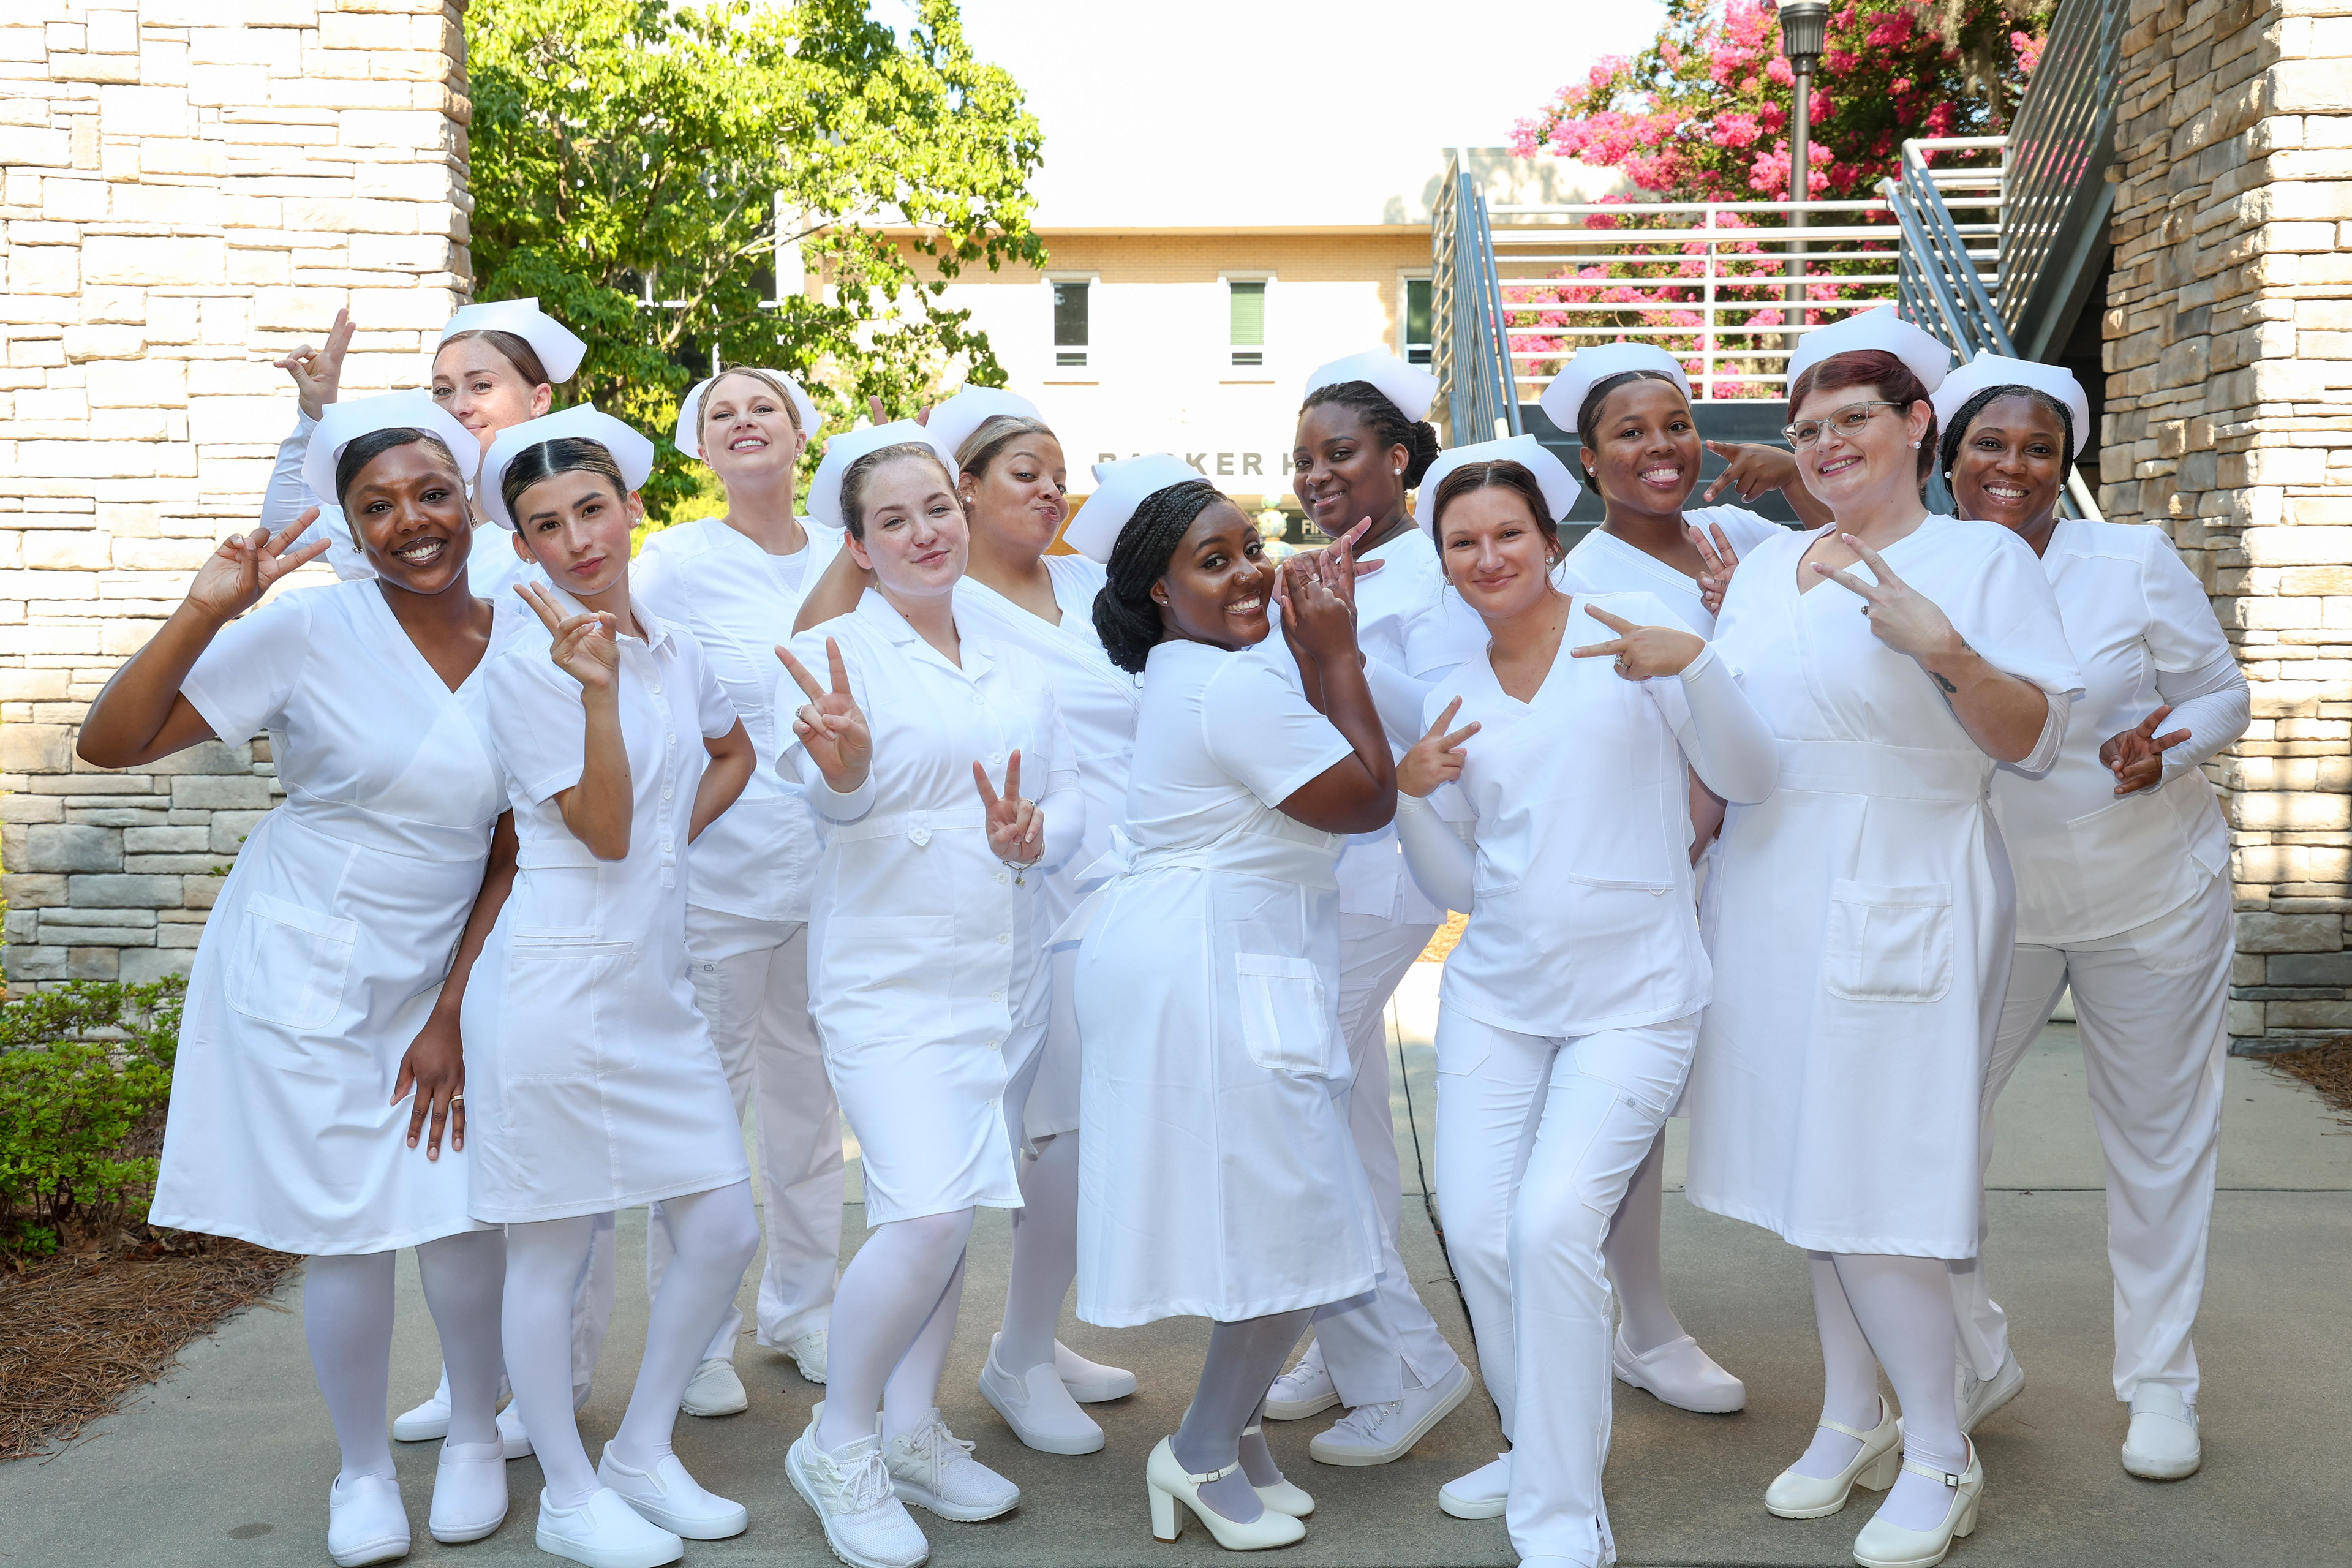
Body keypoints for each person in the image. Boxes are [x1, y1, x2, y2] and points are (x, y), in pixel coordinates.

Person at [1681, 306, 2084, 1568]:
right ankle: (1852, 1414)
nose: (1825, 444)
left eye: (1853, 417)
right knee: (1817, 1162)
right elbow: (1736, 738)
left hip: (1909, 873)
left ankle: (1940, 1446)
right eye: (1806, 428)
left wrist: (1945, 650)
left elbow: (2035, 740)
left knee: (1878, 1175)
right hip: (1770, 882)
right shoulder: (1765, 569)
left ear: (1918, 425)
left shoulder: (1979, 559)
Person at [83, 393, 512, 1568]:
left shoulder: (525, 633)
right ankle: (362, 1469)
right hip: (308, 951)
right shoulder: (309, 630)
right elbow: (110, 743)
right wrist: (206, 609)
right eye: (378, 506)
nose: (411, 521)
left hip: (451, 952)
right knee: (347, 1226)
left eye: (432, 493)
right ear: (352, 526)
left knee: (464, 1208)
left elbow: (518, 839)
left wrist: (454, 1006)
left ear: (470, 502)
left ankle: (477, 1433)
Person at [1392, 435, 1778, 1567]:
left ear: (1549, 540)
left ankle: (1561, 1513)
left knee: (1553, 1221)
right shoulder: (1450, 691)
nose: (1488, 557)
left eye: (1508, 533)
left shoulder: (1632, 633)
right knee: (1479, 1231)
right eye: (1462, 542)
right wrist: (1411, 796)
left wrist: (1694, 667)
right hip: (1499, 998)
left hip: (1637, 995)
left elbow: (1751, 778)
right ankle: (1539, 1443)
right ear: (1443, 560)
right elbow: (1460, 884)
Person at [1066, 454, 1395, 1551]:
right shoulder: (1227, 686)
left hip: (1202, 952)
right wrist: (1334, 652)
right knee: (1289, 1217)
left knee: (1268, 1215)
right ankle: (1202, 1449)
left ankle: (1241, 1439)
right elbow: (1368, 798)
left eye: (1252, 547)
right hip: (1209, 966)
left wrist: (1308, 656)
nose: (1251, 572)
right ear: (1161, 592)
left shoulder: (1196, 674)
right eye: (1215, 561)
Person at [1931, 353, 2248, 1481]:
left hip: (2150, 894)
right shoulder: (1914, 570)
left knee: (2158, 1142)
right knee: (1934, 1131)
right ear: (1948, 456)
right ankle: (1970, 1354)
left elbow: (2220, 693)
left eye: (2041, 450)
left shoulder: (2130, 560)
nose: (2012, 467)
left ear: (2065, 465)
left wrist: (2166, 754)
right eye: (1990, 444)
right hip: (1991, 907)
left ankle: (2161, 1383)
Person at [777, 422, 1078, 1568]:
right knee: (928, 1214)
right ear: (858, 546)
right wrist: (848, 768)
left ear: (962, 510)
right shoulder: (827, 654)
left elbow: (1069, 793)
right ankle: (839, 1439)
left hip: (1001, 966)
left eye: (935, 510)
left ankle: (911, 1428)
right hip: (889, 977)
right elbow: (831, 797)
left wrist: (1040, 831)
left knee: (957, 1203)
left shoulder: (1012, 645)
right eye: (890, 522)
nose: (921, 534)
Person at [466, 405, 763, 1568]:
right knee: (551, 1251)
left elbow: (733, 750)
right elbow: (599, 831)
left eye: (592, 509)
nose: (578, 540)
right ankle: (569, 1492)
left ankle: (641, 1452)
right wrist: (593, 692)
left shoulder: (678, 647)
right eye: (547, 526)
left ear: (633, 509)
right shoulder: (524, 661)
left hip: (652, 983)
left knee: (723, 1227)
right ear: (523, 546)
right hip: (552, 983)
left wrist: (674, 844)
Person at [911, 387, 1142, 1457]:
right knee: (1036, 1132)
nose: (1052, 491)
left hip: (1128, 876)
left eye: (1060, 475)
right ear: (962, 488)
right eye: (1025, 474)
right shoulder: (941, 602)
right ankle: (1013, 1361)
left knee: (1088, 1131)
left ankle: (1029, 1338)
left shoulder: (1092, 586)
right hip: (1015, 888)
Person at [1264, 351, 1477, 1469]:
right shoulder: (1324, 567)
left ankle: (1408, 1361)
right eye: (1303, 460)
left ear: (1399, 458)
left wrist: (1334, 641)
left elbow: (1445, 717)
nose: (1317, 476)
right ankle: (1346, 1340)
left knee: (1297, 1099)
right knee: (1341, 1109)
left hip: (1387, 866)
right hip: (1318, 863)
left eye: (1340, 453)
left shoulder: (1435, 572)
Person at [632, 367, 846, 1404]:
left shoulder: (850, 551)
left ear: (800, 432)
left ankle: (804, 1309)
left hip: (837, 873)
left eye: (764, 406)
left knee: (810, 1111)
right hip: (719, 877)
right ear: (703, 447)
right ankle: (698, 1334)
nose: (745, 421)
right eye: (723, 412)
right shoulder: (674, 562)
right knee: (708, 1107)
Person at [266, 298, 585, 600]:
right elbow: (283, 533)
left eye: (481, 386)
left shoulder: (575, 518)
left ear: (539, 400)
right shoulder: (413, 508)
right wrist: (313, 416)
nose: (458, 407)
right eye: (443, 390)